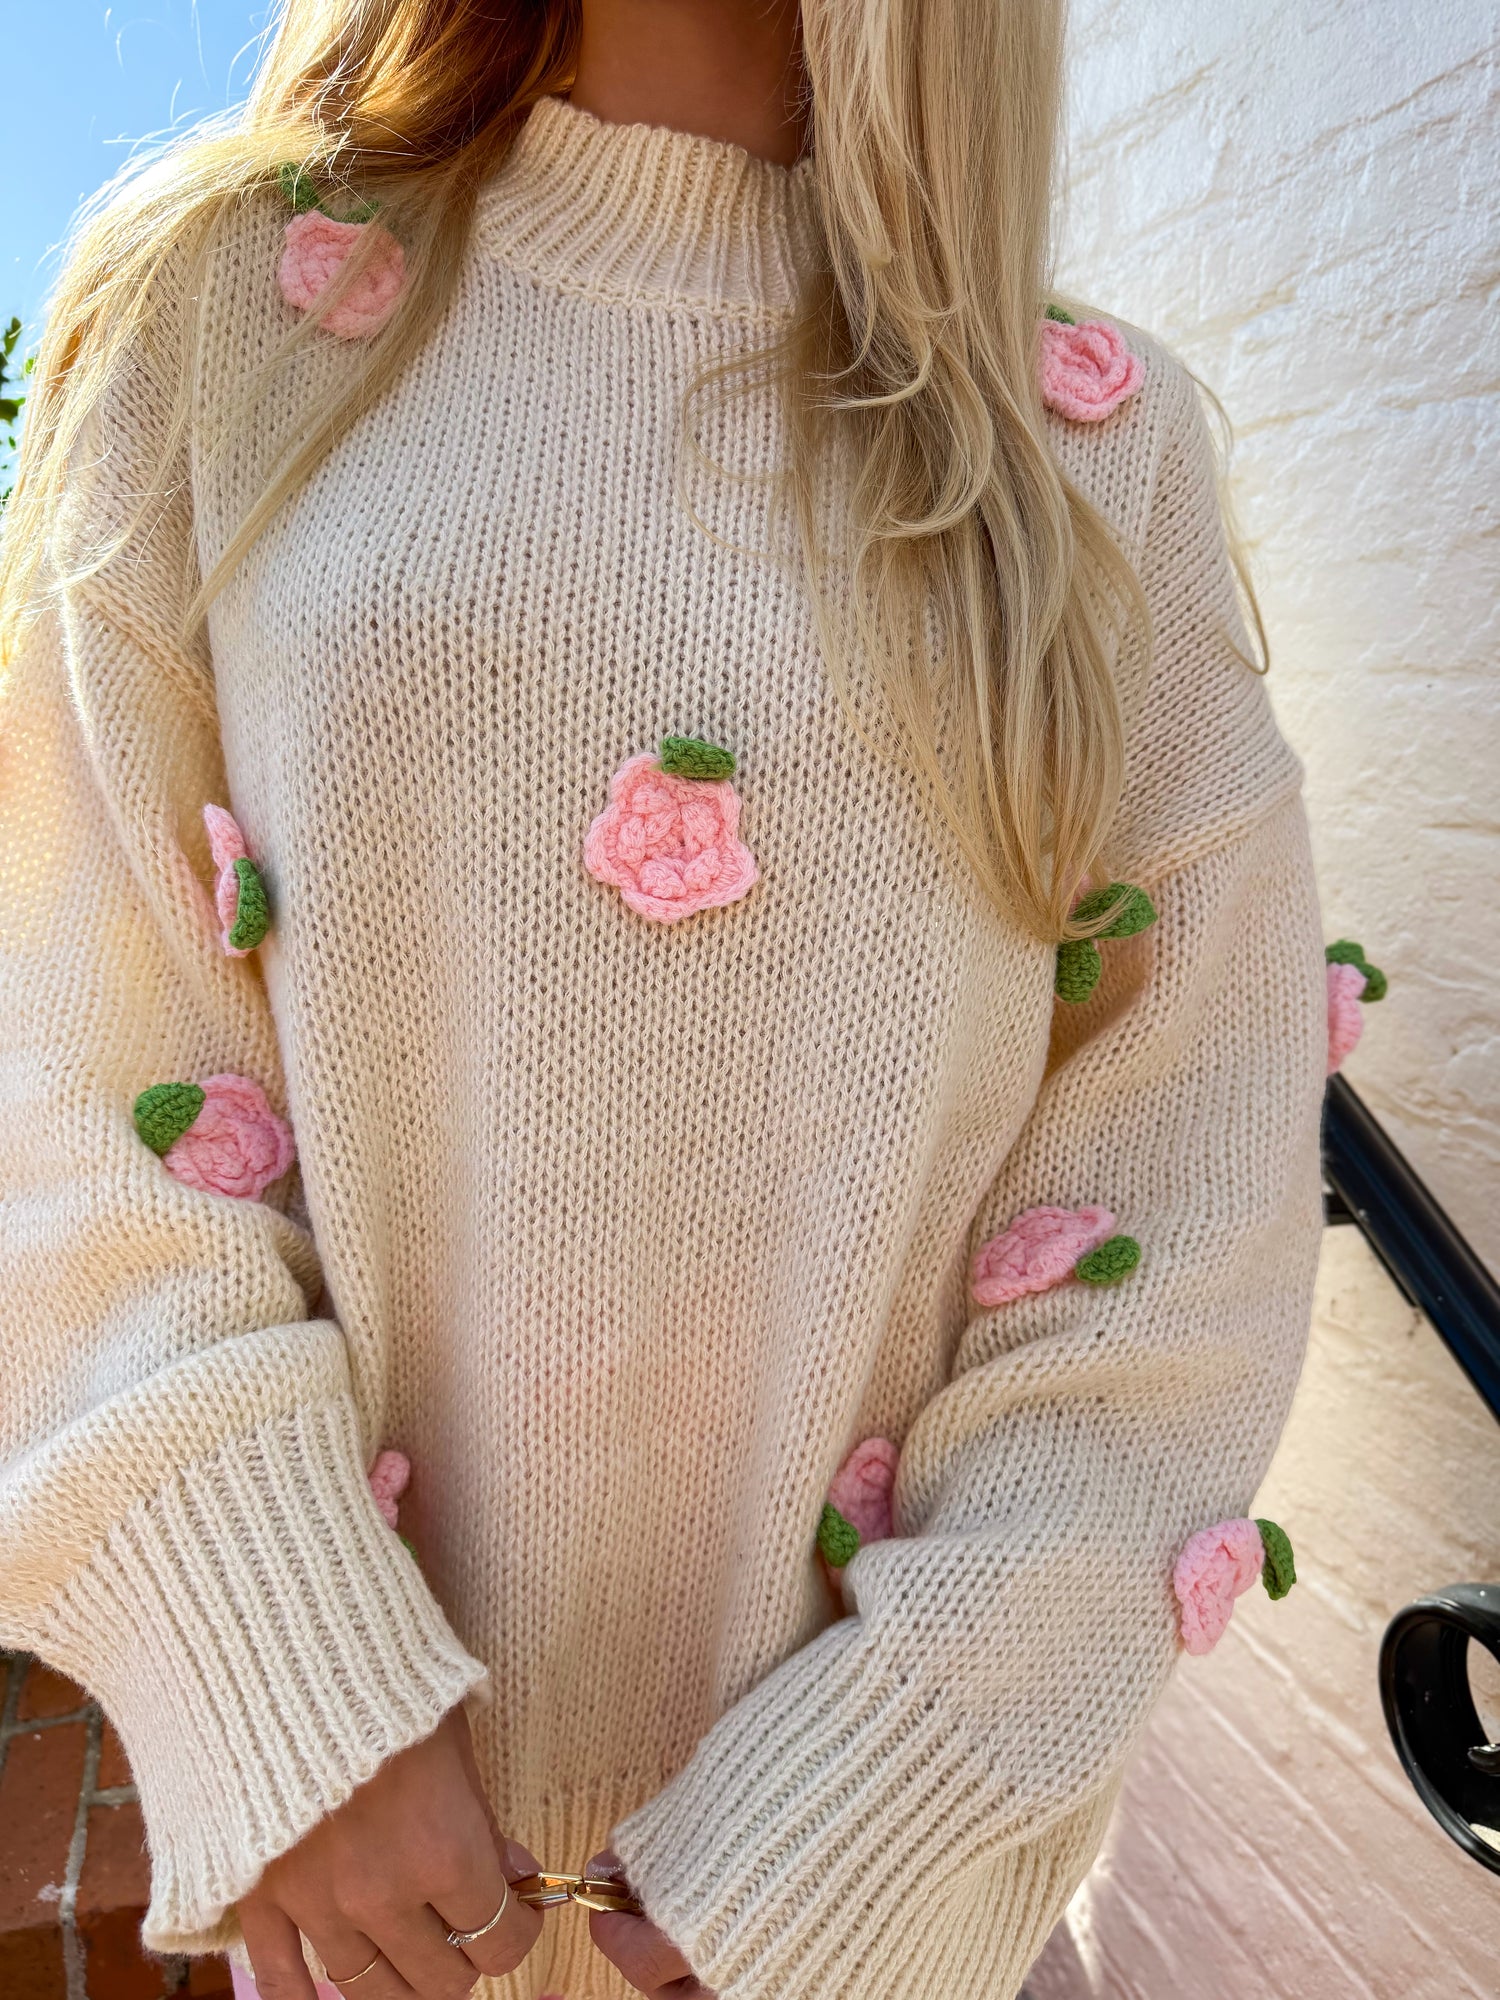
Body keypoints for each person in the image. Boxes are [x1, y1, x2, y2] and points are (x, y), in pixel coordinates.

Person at [0, 3, 1328, 1997]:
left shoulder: (1092, 456)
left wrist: (887, 1799)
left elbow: (1183, 1205)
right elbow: (62, 1060)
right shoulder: (222, 314)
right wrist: (276, 1663)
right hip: (368, 1920)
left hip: (869, 1936)